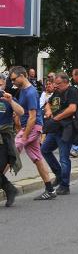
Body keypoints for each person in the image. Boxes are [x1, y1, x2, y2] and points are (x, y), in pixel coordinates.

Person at [10, 66, 56, 200]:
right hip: (30, 128)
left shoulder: (30, 92)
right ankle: (50, 190)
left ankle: (6, 186)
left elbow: (33, 117)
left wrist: (23, 136)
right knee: (37, 159)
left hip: (32, 128)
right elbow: (22, 112)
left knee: (10, 152)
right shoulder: (22, 90)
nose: (13, 82)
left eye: (14, 79)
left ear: (22, 76)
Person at [41, 73, 78, 195]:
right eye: (55, 83)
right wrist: (48, 111)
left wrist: (56, 118)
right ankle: (59, 174)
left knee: (64, 158)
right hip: (55, 129)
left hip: (66, 129)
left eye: (58, 84)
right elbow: (48, 103)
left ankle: (64, 185)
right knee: (45, 149)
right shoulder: (57, 92)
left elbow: (72, 108)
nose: (55, 86)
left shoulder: (72, 91)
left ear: (66, 82)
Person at [0, 74, 24, 207]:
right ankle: (10, 190)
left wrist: (10, 101)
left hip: (4, 139)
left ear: (5, 85)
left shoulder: (9, 98)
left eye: (0, 85)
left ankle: (10, 190)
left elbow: (21, 112)